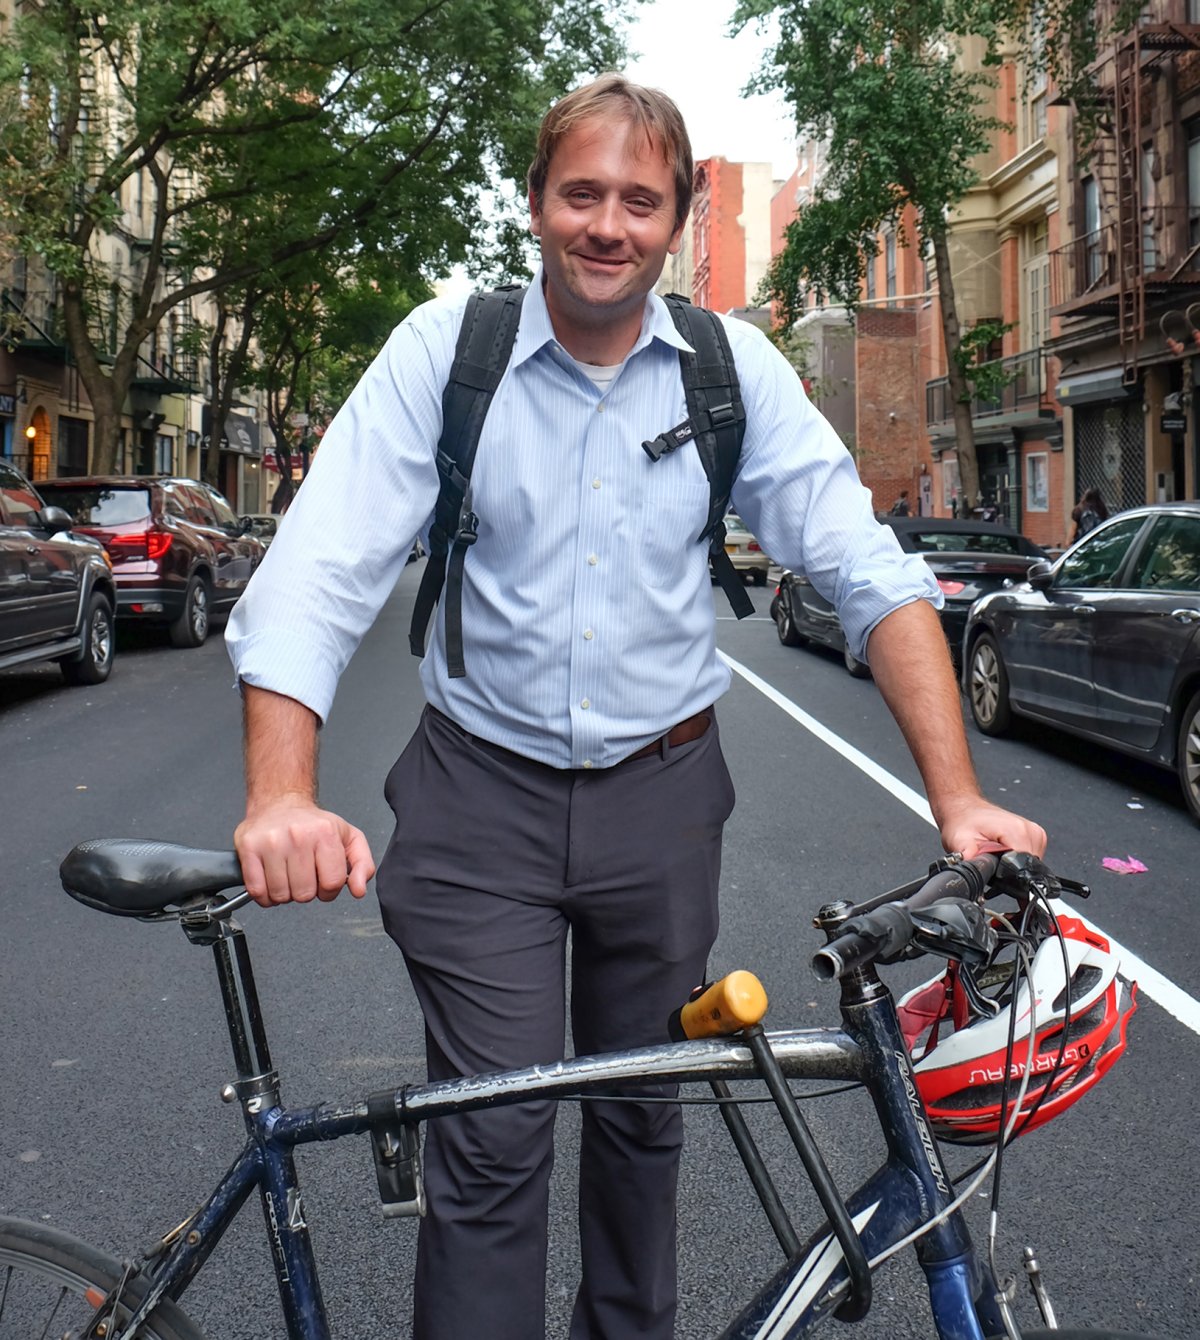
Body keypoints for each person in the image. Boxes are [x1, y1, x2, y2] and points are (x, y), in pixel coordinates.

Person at [226, 74, 1046, 1340]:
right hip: (475, 795)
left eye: (641, 202)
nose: (608, 225)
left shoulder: (728, 369)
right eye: (582, 193)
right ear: (539, 203)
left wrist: (959, 798)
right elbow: (317, 572)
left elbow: (865, 574)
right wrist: (280, 792)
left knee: (642, 1126)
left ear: (673, 225)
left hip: (662, 802)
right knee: (492, 1139)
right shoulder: (452, 355)